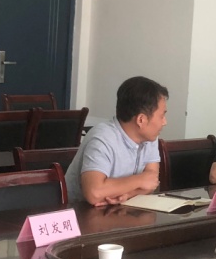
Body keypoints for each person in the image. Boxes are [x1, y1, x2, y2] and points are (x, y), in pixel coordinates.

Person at [65, 76, 166, 205]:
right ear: (141, 120)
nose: (164, 122)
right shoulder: (102, 139)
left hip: (118, 209)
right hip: (78, 212)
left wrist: (127, 195)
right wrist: (140, 180)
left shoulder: (149, 137)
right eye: (162, 116)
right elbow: (94, 193)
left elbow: (152, 181)